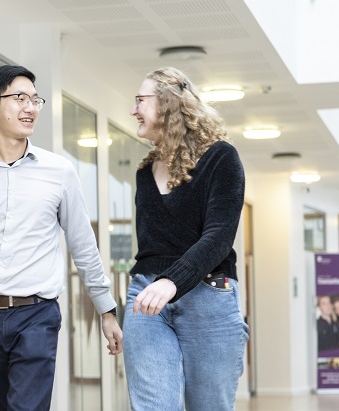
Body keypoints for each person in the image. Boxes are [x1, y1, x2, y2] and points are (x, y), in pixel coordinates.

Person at [0, 64, 123, 411]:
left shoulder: (59, 172)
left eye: (35, 100)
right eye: (20, 98)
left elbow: (82, 244)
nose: (30, 108)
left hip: (37, 314)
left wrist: (105, 308)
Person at [122, 67, 250, 411]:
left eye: (140, 100)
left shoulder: (221, 158)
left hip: (208, 295)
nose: (134, 110)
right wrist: (157, 284)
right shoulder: (144, 173)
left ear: (167, 104)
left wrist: (172, 282)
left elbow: (219, 237)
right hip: (146, 297)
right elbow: (152, 247)